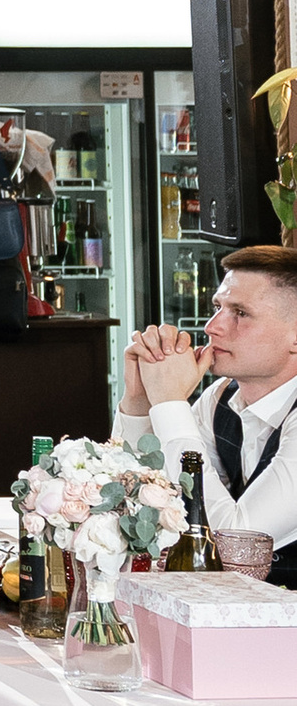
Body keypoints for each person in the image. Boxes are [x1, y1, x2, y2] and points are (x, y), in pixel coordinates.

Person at [123, 245, 297, 578]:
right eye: (218, 307)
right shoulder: (221, 397)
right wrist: (140, 401)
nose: (212, 326)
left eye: (240, 313)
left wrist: (170, 404)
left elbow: (234, 549)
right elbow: (136, 503)